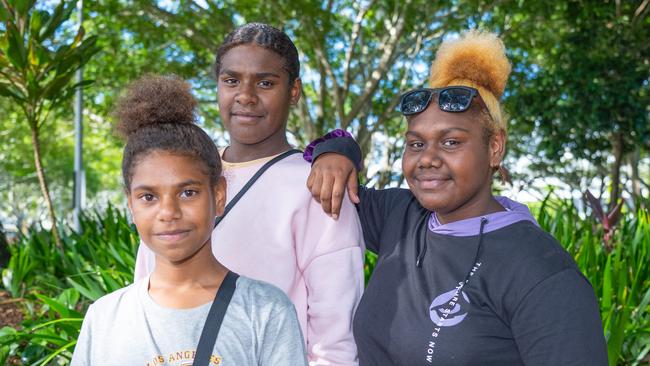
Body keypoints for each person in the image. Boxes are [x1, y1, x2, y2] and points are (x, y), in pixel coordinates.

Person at [306, 30, 608, 365]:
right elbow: (320, 182)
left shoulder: (541, 273)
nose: (427, 159)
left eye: (451, 142)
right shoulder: (399, 215)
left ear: (495, 148)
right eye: (416, 143)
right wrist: (338, 151)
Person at [134, 23, 364, 365]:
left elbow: (335, 338)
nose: (246, 96)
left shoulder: (316, 184)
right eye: (231, 81)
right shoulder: (182, 176)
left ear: (294, 91)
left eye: (266, 83)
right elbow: (147, 294)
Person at [71, 75, 307, 365]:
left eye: (187, 192)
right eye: (148, 197)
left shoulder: (266, 311)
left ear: (218, 194)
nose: (168, 212)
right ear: (130, 204)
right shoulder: (104, 317)